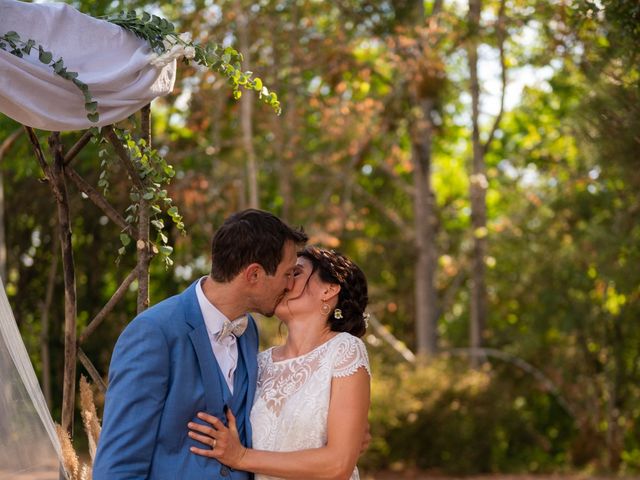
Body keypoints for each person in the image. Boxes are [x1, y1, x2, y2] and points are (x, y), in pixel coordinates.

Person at [93, 209, 308, 480]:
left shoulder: (249, 330)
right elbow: (117, 468)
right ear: (253, 274)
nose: (291, 285)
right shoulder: (153, 333)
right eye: (287, 274)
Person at [188, 246, 371, 480]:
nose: (284, 283)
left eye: (295, 274)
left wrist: (242, 457)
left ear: (329, 289)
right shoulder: (258, 362)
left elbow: (338, 464)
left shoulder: (344, 350)